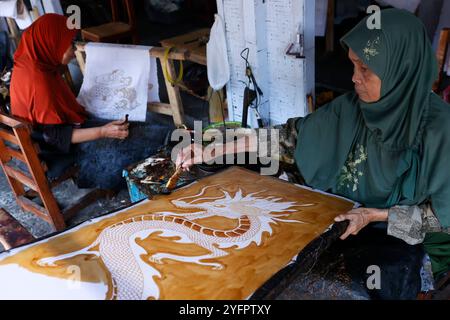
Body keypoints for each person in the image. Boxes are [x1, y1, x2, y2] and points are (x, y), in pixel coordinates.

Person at [176, 9, 450, 286]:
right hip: (348, 216)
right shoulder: (351, 108)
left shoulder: (440, 131)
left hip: (407, 237)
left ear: (400, 71)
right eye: (353, 65)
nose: (354, 78)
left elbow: (442, 218)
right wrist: (211, 150)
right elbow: (289, 138)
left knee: (367, 283)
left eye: (365, 69)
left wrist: (374, 215)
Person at [10, 14, 171, 189]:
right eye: (69, 45)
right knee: (136, 143)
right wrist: (103, 131)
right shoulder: (38, 82)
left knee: (134, 126)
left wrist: (104, 129)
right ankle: (174, 147)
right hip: (55, 153)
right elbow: (55, 137)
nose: (73, 51)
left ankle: (174, 141)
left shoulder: (30, 64)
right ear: (51, 43)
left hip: (48, 141)